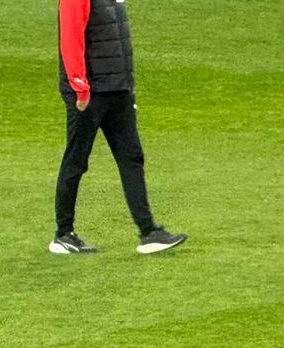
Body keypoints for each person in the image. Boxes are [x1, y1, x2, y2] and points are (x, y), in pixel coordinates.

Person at [52, 0, 188, 255]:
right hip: (89, 93)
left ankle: (149, 232)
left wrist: (127, 85)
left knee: (131, 157)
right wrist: (79, 85)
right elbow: (71, 36)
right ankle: (63, 234)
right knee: (76, 160)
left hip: (118, 90)